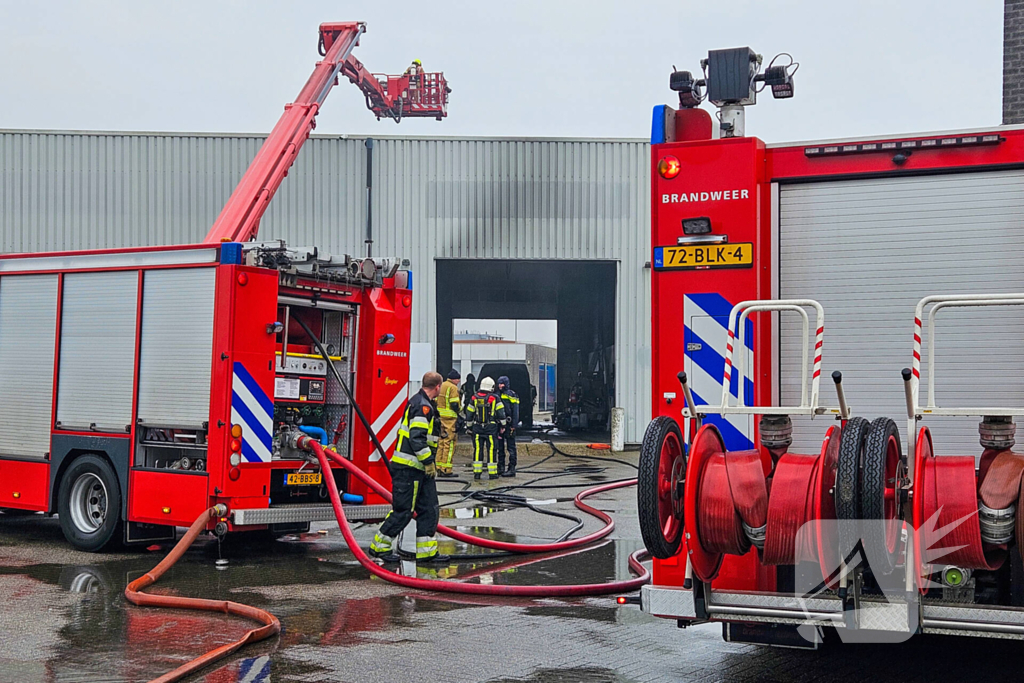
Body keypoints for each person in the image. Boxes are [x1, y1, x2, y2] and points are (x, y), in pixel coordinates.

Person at [370, 372, 449, 563]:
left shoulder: (423, 403)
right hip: (409, 469)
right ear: (438, 387)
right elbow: (417, 438)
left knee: (429, 509)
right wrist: (428, 462)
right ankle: (379, 547)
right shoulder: (422, 406)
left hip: (419, 470)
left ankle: (427, 552)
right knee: (404, 511)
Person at [462, 376, 506, 480]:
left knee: (478, 449)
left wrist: (469, 427)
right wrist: (503, 425)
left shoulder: (474, 398)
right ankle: (492, 473)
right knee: (491, 449)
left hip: (477, 428)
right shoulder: (495, 398)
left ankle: (477, 473)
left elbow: (469, 414)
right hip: (491, 428)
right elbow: (501, 413)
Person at [435, 370, 461, 477]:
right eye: (458, 380)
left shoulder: (441, 386)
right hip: (450, 420)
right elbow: (454, 404)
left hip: (440, 418)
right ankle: (446, 469)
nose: (459, 382)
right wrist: (460, 412)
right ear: (455, 379)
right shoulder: (453, 387)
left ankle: (438, 467)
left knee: (441, 442)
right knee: (449, 444)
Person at [495, 375, 520, 477]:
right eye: (499, 384)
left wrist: (514, 425)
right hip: (499, 425)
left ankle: (512, 468)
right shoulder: (496, 394)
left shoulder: (512, 395)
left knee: (511, 447)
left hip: (509, 425)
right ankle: (500, 467)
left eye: (502, 384)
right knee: (500, 447)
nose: (500, 386)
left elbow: (516, 411)